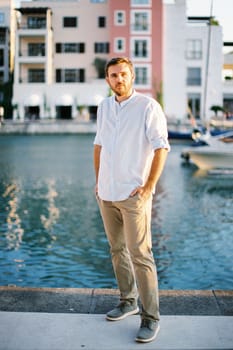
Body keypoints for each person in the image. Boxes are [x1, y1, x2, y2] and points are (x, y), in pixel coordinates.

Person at [93, 57, 170, 343]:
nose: (118, 79)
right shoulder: (104, 107)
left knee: (141, 255)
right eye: (113, 75)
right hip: (107, 192)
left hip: (133, 194)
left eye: (123, 74)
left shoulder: (148, 107)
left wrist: (149, 186)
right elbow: (98, 145)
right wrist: (98, 181)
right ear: (108, 80)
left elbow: (162, 147)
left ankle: (151, 318)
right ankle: (128, 301)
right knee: (117, 250)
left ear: (132, 76)